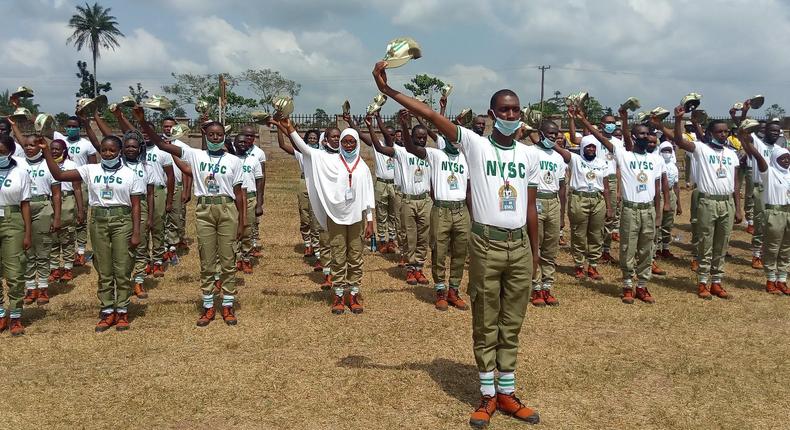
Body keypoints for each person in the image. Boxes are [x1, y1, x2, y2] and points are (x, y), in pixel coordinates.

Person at [372, 62, 541, 427]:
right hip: (486, 243)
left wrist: (535, 252)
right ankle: (486, 395)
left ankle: (507, 392)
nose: (511, 114)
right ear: (492, 114)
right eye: (504, 109)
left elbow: (530, 208)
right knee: (485, 319)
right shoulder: (476, 146)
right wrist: (389, 92)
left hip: (519, 248)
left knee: (512, 322)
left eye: (516, 109)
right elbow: (431, 114)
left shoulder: (530, 155)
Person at [136, 109, 245, 327]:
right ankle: (207, 306)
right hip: (204, 210)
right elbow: (163, 146)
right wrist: (143, 122)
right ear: (205, 136)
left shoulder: (234, 161)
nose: (215, 137)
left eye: (219, 134)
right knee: (206, 259)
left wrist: (242, 222)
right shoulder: (196, 155)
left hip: (227, 210)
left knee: (228, 259)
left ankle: (228, 304)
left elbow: (240, 194)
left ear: (224, 136)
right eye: (212, 134)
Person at [274, 117, 375, 315]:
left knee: (355, 257)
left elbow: (368, 195)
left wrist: (370, 220)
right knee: (338, 256)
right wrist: (290, 128)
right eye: (345, 141)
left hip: (356, 219)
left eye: (351, 142)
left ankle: (353, 294)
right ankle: (338, 295)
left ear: (356, 143)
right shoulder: (328, 160)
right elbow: (305, 149)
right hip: (336, 217)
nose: (347, 144)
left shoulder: (362, 167)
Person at [42, 133, 142, 332]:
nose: (107, 153)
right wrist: (46, 152)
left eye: (112, 150)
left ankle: (122, 309)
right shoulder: (90, 169)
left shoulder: (131, 174)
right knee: (103, 267)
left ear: (119, 151)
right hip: (98, 220)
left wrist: (136, 232)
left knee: (122, 267)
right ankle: (107, 310)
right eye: (104, 149)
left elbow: (137, 207)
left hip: (122, 220)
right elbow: (59, 176)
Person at [578, 107, 670, 304]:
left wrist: (658, 214)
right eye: (641, 134)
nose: (645, 137)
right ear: (634, 137)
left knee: (646, 249)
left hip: (648, 210)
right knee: (628, 248)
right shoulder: (624, 155)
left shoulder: (655, 159)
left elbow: (656, 189)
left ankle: (643, 286)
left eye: (647, 134)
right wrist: (585, 121)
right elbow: (601, 138)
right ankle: (628, 285)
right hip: (630, 209)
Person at [392, 109, 470, 311]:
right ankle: (440, 291)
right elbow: (410, 148)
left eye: (457, 135)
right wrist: (404, 126)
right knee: (439, 252)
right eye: (450, 135)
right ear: (445, 137)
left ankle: (454, 291)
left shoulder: (466, 158)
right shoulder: (435, 155)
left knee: (460, 253)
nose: (454, 139)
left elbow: (469, 188)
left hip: (462, 210)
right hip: (441, 209)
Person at [673, 107, 742, 299]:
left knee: (722, 244)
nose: (723, 134)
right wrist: (679, 120)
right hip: (707, 202)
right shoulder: (701, 149)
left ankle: (717, 282)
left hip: (726, 202)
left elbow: (735, 183)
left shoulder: (731, 154)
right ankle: (703, 281)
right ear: (710, 133)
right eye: (719, 131)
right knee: (705, 242)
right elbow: (679, 141)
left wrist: (738, 208)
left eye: (725, 131)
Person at [104, 107, 175, 279]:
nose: (144, 134)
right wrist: (118, 116)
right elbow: (108, 137)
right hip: (129, 200)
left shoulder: (160, 151)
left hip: (154, 193)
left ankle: (157, 261)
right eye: (141, 132)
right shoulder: (124, 160)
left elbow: (170, 176)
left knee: (157, 228)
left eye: (147, 131)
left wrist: (169, 200)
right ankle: (136, 268)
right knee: (137, 235)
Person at [369, 111, 432, 285]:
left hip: (425, 200)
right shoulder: (402, 153)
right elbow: (381, 148)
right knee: (408, 235)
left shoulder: (429, 155)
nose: (421, 140)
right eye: (418, 137)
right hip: (408, 200)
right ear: (410, 137)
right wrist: (403, 124)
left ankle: (419, 268)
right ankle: (410, 269)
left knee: (423, 236)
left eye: (424, 137)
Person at [7, 120, 62, 306]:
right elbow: (19, 139)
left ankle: (43, 287)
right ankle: (31, 287)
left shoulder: (49, 164)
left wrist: (56, 216)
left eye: (33, 145)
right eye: (27, 145)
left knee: (43, 249)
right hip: (24, 207)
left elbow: (56, 194)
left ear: (40, 146)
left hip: (43, 206)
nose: (30, 148)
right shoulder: (18, 163)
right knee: (27, 250)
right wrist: (14, 126)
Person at [555, 106, 611, 281]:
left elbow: (606, 187)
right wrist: (571, 119)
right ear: (582, 148)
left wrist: (609, 207)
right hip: (579, 199)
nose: (591, 149)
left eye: (593, 147)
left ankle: (593, 266)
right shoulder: (575, 159)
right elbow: (559, 148)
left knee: (596, 234)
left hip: (597, 200)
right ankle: (579, 265)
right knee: (579, 234)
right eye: (588, 147)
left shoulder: (602, 163)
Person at [741, 131, 790, 295]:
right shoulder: (769, 172)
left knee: (786, 248)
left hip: (788, 212)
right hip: (774, 213)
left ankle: (782, 280)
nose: (786, 161)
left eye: (788, 158)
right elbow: (757, 156)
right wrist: (746, 140)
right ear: (774, 159)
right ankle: (770, 279)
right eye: (782, 158)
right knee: (772, 248)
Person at [526, 120, 567, 306]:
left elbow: (561, 187)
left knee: (550, 247)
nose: (553, 137)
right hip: (536, 200)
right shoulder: (531, 153)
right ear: (541, 133)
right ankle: (534, 287)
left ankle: (547, 286)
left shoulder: (558, 157)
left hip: (553, 201)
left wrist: (561, 213)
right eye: (549, 133)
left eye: (555, 134)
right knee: (536, 245)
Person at [0, 134, 33, 336]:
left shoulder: (21, 173)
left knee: (15, 271)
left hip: (12, 221)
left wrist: (28, 233)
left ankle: (16, 316)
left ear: (11, 152)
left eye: (2, 152)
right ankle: (1, 313)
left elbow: (25, 205)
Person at [53, 116, 96, 267]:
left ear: (80, 128)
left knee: (80, 217)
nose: (71, 128)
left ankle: (81, 252)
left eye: (74, 126)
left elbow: (93, 166)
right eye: (68, 126)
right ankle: (67, 251)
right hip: (61, 184)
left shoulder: (87, 145)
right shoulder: (61, 141)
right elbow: (42, 125)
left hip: (80, 185)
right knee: (66, 221)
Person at [357, 115, 399, 253]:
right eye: (387, 133)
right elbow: (362, 135)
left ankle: (392, 240)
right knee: (381, 214)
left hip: (395, 184)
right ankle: (382, 241)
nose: (390, 136)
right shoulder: (378, 145)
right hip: (381, 184)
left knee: (394, 214)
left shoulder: (399, 148)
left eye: (392, 134)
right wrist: (351, 122)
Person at [47, 139, 84, 284]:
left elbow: (77, 188)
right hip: (50, 200)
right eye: (52, 149)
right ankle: (55, 268)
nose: (54, 151)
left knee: (67, 235)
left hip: (67, 200)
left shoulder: (71, 165)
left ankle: (68, 267)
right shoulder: (47, 164)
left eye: (57, 149)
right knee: (52, 235)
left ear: (64, 150)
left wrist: (81, 209)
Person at [233, 134, 264, 274]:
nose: (242, 144)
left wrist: (259, 202)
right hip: (233, 198)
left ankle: (246, 259)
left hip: (250, 198)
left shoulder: (254, 160)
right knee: (233, 229)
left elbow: (259, 181)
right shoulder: (230, 160)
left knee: (247, 229)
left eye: (245, 142)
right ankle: (236, 258)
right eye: (239, 142)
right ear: (234, 143)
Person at [240, 125, 266, 257]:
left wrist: (260, 200)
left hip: (251, 194)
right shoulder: (233, 152)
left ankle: (253, 245)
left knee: (252, 223)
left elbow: (261, 176)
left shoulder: (259, 153)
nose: (249, 138)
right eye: (246, 135)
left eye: (251, 136)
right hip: (236, 195)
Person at [655, 141, 682, 259]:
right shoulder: (657, 164)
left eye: (669, 151)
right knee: (658, 222)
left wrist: (678, 203)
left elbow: (676, 186)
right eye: (664, 150)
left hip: (671, 193)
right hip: (659, 194)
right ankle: (656, 249)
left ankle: (665, 248)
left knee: (668, 222)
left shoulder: (674, 167)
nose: (666, 153)